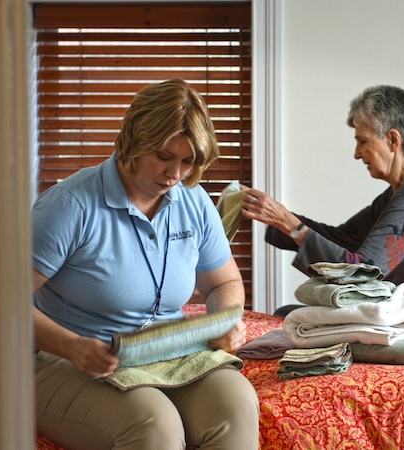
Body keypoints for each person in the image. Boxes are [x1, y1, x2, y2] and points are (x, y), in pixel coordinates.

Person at [32, 79, 260, 450]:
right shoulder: (69, 205)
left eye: (188, 162)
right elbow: (1, 304)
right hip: (65, 361)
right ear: (133, 141)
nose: (175, 174)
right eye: (164, 156)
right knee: (155, 425)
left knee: (235, 402)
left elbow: (223, 283)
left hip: (168, 354)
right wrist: (72, 345)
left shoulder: (193, 200)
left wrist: (226, 321)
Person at [241, 85, 404, 329]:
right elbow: (344, 238)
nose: (357, 154)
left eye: (363, 141)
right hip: (402, 321)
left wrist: (290, 224)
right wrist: (277, 217)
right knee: (288, 314)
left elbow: (362, 272)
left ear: (393, 140)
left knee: (288, 317)